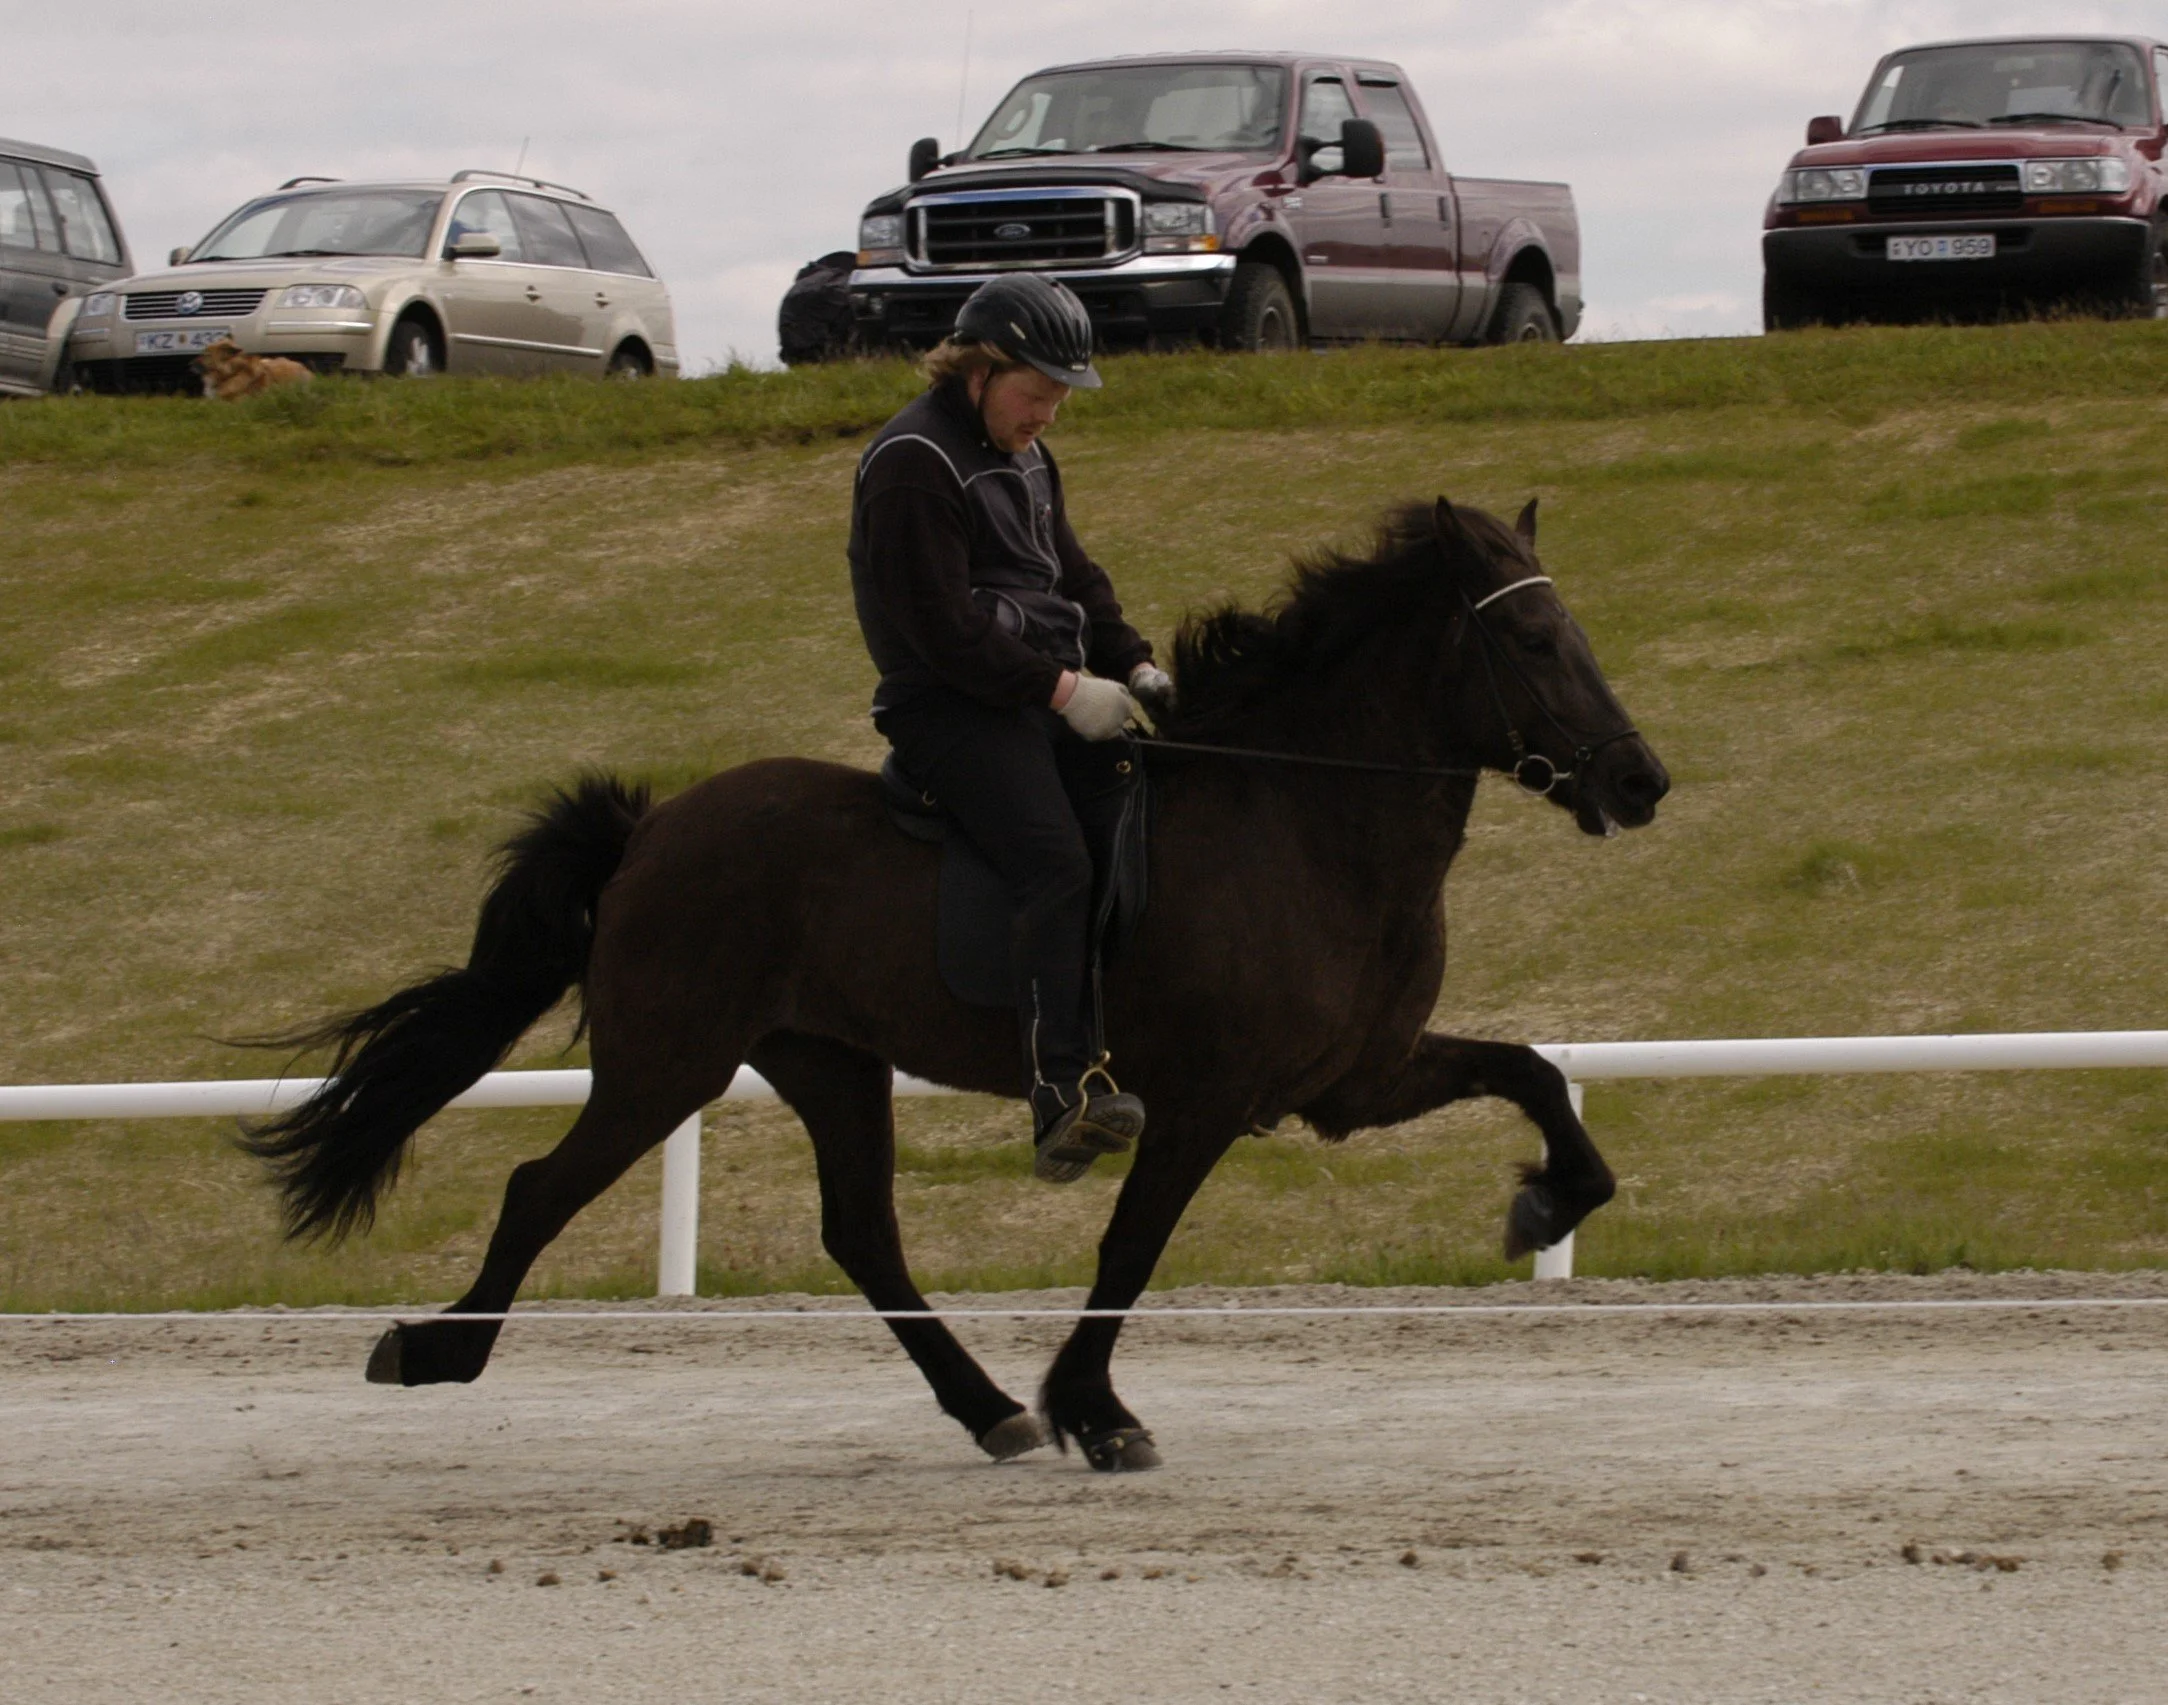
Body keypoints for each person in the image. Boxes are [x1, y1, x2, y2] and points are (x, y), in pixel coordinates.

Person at [846, 275, 1175, 1182]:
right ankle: (1058, 1092)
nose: (1050, 414)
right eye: (1037, 393)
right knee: (1054, 861)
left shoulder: (1028, 455)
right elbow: (942, 632)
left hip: (1030, 693)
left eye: (1062, 396)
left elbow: (1073, 573)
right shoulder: (914, 461)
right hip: (948, 708)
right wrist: (1067, 692)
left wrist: (1137, 664)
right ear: (979, 371)